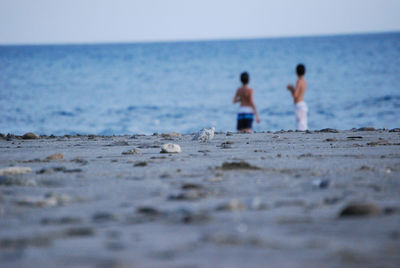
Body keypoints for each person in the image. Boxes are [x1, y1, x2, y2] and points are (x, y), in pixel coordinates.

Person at [287, 64, 308, 131]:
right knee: (303, 124)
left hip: (299, 105)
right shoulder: (305, 81)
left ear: (296, 72)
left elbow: (295, 95)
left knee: (300, 125)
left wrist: (291, 89)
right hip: (303, 104)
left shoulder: (299, 81)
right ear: (305, 72)